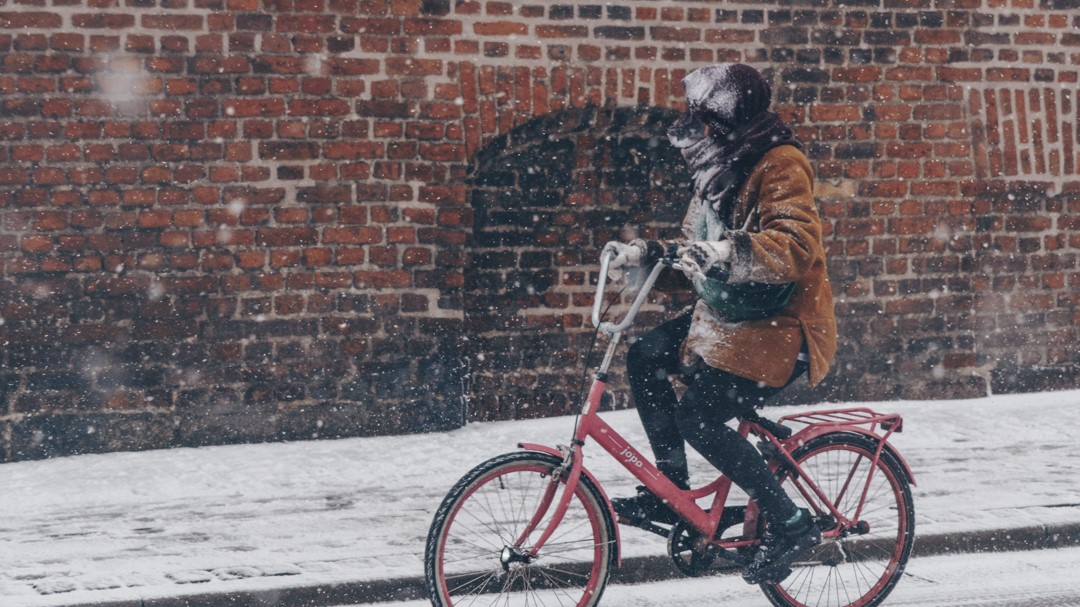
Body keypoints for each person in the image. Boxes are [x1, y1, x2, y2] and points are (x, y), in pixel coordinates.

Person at [601, 63, 837, 585]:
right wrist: (648, 257)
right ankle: (673, 494)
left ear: (727, 120)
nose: (695, 128)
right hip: (731, 311)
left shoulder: (781, 164)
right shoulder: (719, 166)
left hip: (780, 324)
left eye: (703, 117)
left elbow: (796, 247)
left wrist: (728, 251)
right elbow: (695, 251)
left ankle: (792, 523)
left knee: (699, 419)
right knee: (645, 356)